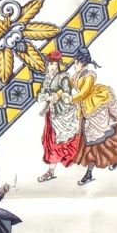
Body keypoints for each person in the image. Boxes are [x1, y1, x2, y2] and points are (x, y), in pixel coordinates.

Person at [62, 46, 117, 186]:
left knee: (97, 140)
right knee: (92, 142)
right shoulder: (76, 75)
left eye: (76, 62)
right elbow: (71, 87)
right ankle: (106, 164)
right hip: (85, 110)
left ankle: (94, 170)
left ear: (82, 63)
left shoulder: (89, 75)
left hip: (94, 109)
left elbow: (84, 93)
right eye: (74, 62)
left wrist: (71, 99)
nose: (74, 65)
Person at [37, 50, 83, 181]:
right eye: (49, 64)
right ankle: (51, 171)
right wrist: (45, 97)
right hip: (51, 115)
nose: (51, 67)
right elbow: (40, 94)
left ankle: (83, 160)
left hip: (64, 113)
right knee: (51, 142)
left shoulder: (63, 77)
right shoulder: (47, 79)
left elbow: (66, 90)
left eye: (54, 64)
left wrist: (57, 95)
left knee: (72, 140)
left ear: (58, 65)